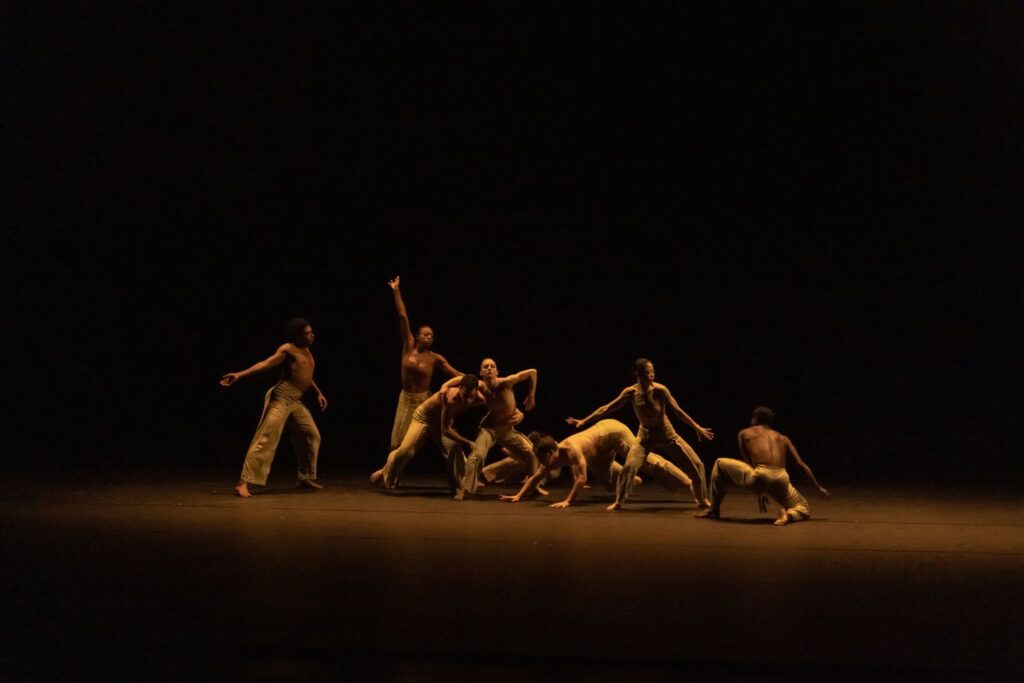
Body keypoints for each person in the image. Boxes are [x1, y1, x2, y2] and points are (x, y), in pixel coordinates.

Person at [567, 358, 714, 510]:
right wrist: (584, 420)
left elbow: (678, 410)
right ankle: (619, 501)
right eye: (647, 372)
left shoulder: (660, 390)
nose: (651, 375)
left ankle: (701, 498)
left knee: (697, 464)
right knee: (629, 466)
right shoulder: (630, 392)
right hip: (645, 437)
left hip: (667, 435)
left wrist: (697, 427)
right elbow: (606, 408)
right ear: (638, 374)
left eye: (653, 371)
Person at [220, 318, 327, 498]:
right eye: (308, 333)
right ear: (298, 336)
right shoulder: (287, 349)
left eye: (311, 332)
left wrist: (318, 392)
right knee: (266, 438)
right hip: (281, 398)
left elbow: (306, 373)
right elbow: (266, 364)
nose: (312, 335)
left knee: (311, 435)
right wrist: (239, 375)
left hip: (296, 401)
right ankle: (243, 482)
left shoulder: (306, 350)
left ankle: (305, 477)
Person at [500, 419, 698, 509]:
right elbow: (536, 477)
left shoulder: (570, 449)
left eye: (545, 461)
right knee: (609, 484)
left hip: (613, 432)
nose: (545, 466)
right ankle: (631, 479)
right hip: (598, 451)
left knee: (645, 461)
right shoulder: (550, 457)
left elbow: (581, 479)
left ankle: (688, 483)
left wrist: (568, 501)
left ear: (552, 452)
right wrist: (518, 496)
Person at [696, 406, 830, 525]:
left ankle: (713, 509)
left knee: (719, 463)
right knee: (804, 507)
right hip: (782, 478)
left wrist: (759, 490)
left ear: (755, 419)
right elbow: (801, 465)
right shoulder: (783, 438)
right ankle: (788, 515)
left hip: (760, 474)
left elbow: (751, 465)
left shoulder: (744, 433)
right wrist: (818, 488)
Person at [370, 374, 501, 491]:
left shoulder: (481, 394)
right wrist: (468, 443)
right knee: (406, 450)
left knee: (454, 448)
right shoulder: (449, 398)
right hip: (424, 418)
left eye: (471, 396)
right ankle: (385, 471)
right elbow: (445, 430)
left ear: (476, 390)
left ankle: (464, 483)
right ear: (460, 388)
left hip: (443, 421)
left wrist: (515, 413)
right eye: (464, 395)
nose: (467, 400)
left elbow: (499, 399)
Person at [387, 276, 461, 452]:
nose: (429, 337)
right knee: (396, 443)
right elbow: (403, 316)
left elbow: (456, 374)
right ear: (418, 336)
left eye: (432, 336)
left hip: (425, 399)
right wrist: (396, 291)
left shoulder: (435, 358)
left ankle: (462, 474)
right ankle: (391, 476)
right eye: (426, 334)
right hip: (406, 400)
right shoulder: (408, 347)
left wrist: (478, 381)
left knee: (445, 438)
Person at [456, 358, 538, 500]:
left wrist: (531, 395)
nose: (489, 368)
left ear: (497, 371)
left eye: (492, 366)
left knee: (531, 454)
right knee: (478, 456)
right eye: (485, 367)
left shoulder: (506, 383)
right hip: (489, 429)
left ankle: (533, 487)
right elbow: (459, 378)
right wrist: (445, 387)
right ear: (481, 372)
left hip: (507, 430)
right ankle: (466, 489)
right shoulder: (481, 386)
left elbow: (532, 372)